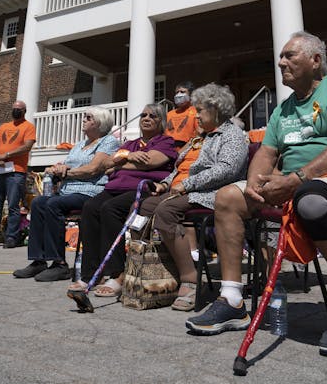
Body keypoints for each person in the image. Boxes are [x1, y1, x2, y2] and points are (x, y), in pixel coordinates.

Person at [186, 31, 327, 359]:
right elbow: (266, 153)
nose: (281, 62)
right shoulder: (283, 109)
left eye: (290, 55)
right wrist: (254, 184)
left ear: (315, 61)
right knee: (227, 198)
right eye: (281, 56)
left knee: (312, 199)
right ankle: (233, 299)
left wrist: (295, 181)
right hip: (295, 183)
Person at [138, 83, 248, 311]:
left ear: (216, 109)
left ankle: (189, 278)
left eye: (200, 110)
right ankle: (163, 272)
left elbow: (226, 169)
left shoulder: (232, 135)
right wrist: (165, 184)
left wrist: (186, 185)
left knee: (166, 212)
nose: (196, 115)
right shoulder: (202, 138)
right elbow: (179, 169)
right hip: (190, 189)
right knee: (147, 206)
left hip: (214, 193)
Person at [68, 103, 178, 298]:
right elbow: (107, 165)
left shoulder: (165, 142)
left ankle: (117, 274)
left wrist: (121, 164)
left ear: (161, 122)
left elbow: (149, 163)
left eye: (153, 116)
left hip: (142, 189)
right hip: (115, 187)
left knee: (110, 209)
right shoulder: (130, 144)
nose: (146, 118)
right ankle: (92, 272)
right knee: (90, 207)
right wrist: (128, 155)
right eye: (143, 114)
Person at [13, 107, 120, 281]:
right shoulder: (79, 145)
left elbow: (93, 169)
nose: (83, 120)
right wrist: (57, 168)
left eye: (88, 118)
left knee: (53, 204)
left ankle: (59, 264)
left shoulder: (108, 142)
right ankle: (38, 260)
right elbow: (67, 165)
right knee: (39, 202)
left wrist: (66, 173)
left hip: (90, 191)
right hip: (67, 191)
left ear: (99, 123)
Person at [0, 100, 36, 248]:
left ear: (24, 111)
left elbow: (27, 146)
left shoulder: (28, 127)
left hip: (16, 171)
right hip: (0, 170)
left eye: (19, 109)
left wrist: (7, 155)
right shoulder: (4, 126)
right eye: (14, 108)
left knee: (13, 206)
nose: (16, 111)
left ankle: (12, 237)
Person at [165, 81, 199, 148]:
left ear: (191, 95)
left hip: (187, 147)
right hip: (167, 148)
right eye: (177, 92)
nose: (178, 95)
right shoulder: (169, 114)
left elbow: (199, 135)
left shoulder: (196, 112)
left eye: (182, 92)